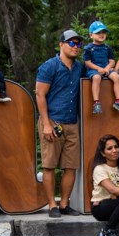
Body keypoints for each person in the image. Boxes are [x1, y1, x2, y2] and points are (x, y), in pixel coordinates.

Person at [36, 30, 85, 217]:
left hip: (72, 123)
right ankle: (51, 205)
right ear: (61, 45)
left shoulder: (79, 67)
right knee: (49, 166)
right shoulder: (49, 66)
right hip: (52, 121)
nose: (76, 47)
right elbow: (40, 95)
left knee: (70, 166)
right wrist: (46, 124)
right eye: (71, 43)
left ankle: (64, 204)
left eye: (78, 44)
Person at [83, 20, 119, 114]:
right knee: (97, 78)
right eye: (98, 32)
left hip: (106, 68)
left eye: (103, 32)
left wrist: (107, 68)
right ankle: (96, 103)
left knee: (116, 77)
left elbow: (112, 61)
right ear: (91, 35)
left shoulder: (107, 47)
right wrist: (98, 69)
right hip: (94, 69)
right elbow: (87, 62)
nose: (101, 34)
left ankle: (118, 101)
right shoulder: (88, 48)